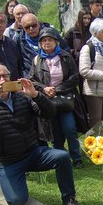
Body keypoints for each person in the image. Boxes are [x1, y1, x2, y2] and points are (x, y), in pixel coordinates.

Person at [0, 62, 85, 205]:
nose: (2, 80)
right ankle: (9, 179)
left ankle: (69, 199)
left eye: (5, 76)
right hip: (7, 161)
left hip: (32, 153)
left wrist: (35, 95)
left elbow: (50, 113)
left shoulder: (22, 98)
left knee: (61, 156)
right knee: (17, 201)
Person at [28, 28, 84, 168]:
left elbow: (74, 77)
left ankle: (76, 157)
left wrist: (57, 89)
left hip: (64, 100)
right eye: (44, 40)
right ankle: (60, 158)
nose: (47, 42)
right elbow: (31, 80)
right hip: (47, 101)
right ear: (40, 44)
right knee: (55, 132)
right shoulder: (37, 60)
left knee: (69, 128)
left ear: (56, 42)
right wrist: (44, 89)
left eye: (50, 40)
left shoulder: (65, 57)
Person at [79, 18, 103, 129]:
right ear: (95, 33)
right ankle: (93, 145)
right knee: (95, 121)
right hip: (94, 91)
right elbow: (84, 71)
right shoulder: (88, 48)